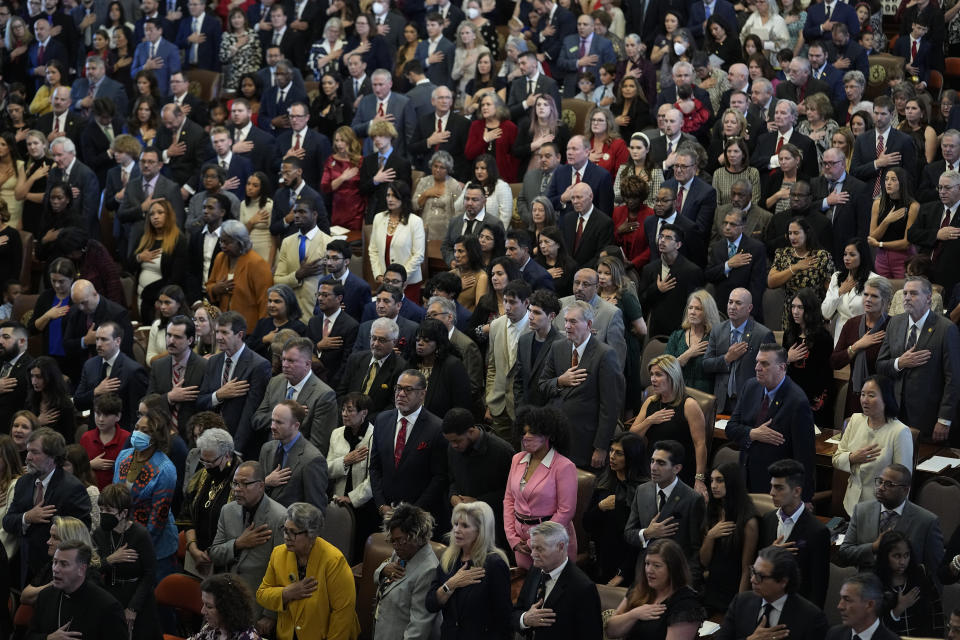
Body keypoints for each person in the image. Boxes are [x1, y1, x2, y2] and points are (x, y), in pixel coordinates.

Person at [539, 301, 625, 469]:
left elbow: (610, 406)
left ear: (589, 324)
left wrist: (600, 447)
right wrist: (560, 381)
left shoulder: (605, 354)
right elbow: (542, 385)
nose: (567, 326)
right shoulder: (558, 347)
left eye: (573, 321)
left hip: (584, 440)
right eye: (565, 321)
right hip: (555, 435)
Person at [256, 501, 360, 639]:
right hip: (288, 635)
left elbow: (343, 612)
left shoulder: (333, 561)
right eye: (285, 530)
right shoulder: (278, 554)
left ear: (312, 534)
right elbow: (262, 594)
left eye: (293, 532)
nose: (286, 536)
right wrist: (286, 593)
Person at [2, 428, 91, 585]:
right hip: (24, 568)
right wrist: (27, 517)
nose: (28, 457)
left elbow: (81, 532)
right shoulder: (23, 483)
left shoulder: (72, 488)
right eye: (28, 451)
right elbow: (8, 522)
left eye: (35, 452)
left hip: (56, 571)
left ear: (53, 457)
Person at [726, 344, 816, 499]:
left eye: (765, 364)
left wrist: (804, 498)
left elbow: (804, 457)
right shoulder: (750, 387)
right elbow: (731, 429)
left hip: (776, 486)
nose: (757, 368)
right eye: (757, 362)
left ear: (781, 367)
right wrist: (752, 433)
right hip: (745, 477)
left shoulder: (797, 402)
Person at [877, 276, 960, 443]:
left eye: (913, 293)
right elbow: (880, 365)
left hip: (929, 418)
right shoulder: (894, 323)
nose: (907, 297)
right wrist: (900, 362)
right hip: (896, 413)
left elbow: (954, 379)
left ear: (928, 298)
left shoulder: (946, 328)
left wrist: (944, 419)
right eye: (905, 293)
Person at [839, 460, 944, 575]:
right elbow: (845, 553)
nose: (881, 487)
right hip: (865, 586)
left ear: (905, 490)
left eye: (889, 484)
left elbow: (935, 571)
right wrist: (873, 547)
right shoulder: (862, 510)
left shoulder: (926, 521)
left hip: (903, 588)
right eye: (880, 481)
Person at [426, 501, 512, 639]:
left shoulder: (494, 564)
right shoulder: (448, 559)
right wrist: (451, 584)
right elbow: (430, 604)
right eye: (455, 524)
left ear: (480, 531)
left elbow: (503, 620)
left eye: (465, 526)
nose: (457, 530)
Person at [112, 405, 178, 580]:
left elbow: (158, 518)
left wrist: (138, 547)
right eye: (136, 428)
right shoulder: (124, 456)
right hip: (124, 535)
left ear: (156, 436)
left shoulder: (165, 469)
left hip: (155, 544)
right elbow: (114, 497)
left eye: (145, 431)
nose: (137, 433)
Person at [92, 483, 162, 640]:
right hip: (110, 596)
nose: (103, 514)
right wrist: (111, 559)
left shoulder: (140, 534)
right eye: (101, 509)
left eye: (108, 510)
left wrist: (133, 608)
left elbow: (150, 574)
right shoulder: (99, 533)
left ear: (123, 512)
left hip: (137, 597)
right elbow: (92, 569)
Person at [712, 546, 829, 640]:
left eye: (760, 576)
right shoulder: (741, 602)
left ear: (783, 581)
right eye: (753, 572)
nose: (752, 579)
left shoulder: (811, 618)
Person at [511, 520, 602, 640]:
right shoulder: (535, 570)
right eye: (533, 548)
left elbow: (591, 635)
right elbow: (516, 611)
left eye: (540, 549)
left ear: (560, 547)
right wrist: (525, 619)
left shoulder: (583, 588)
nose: (533, 554)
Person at [757, 459, 830, 607]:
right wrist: (770, 554)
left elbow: (818, 587)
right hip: (766, 603)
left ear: (797, 491)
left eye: (779, 488)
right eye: (772, 487)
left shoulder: (817, 531)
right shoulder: (768, 519)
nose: (771, 493)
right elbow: (756, 563)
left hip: (797, 608)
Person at [624, 440, 706, 572]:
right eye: (652, 461)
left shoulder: (693, 499)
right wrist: (647, 533)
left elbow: (696, 550)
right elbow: (628, 533)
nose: (653, 467)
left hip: (675, 574)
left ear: (677, 468)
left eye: (661, 463)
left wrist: (689, 583)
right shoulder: (642, 491)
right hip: (645, 570)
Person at [630, 354, 708, 493]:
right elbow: (632, 437)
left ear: (672, 376)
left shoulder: (689, 405)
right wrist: (650, 420)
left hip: (679, 472)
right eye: (652, 374)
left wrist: (699, 479)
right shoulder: (650, 402)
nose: (653, 379)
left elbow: (700, 444)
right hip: (652, 470)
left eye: (658, 375)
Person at [606, 538, 705, 640]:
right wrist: (634, 614)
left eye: (657, 566)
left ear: (673, 569)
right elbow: (611, 631)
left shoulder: (686, 604)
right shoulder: (639, 587)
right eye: (647, 563)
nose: (649, 570)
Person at [27, 540, 127, 639]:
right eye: (55, 562)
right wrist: (48, 638)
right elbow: (29, 636)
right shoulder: (45, 596)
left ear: (81, 569)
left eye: (64, 564)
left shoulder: (108, 607)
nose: (55, 569)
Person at [583, 432, 646, 586]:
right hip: (601, 557)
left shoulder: (643, 489)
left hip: (629, 563)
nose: (611, 456)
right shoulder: (604, 482)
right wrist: (600, 507)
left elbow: (641, 538)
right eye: (611, 451)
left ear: (632, 456)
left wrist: (622, 573)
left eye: (619, 453)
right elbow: (586, 524)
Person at [373, 503, 440, 640]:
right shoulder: (402, 550)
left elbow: (418, 629)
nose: (395, 546)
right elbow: (380, 574)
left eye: (399, 541)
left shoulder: (429, 570)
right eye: (392, 540)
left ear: (417, 536)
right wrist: (383, 570)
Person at [700, 461, 759, 615]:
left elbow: (747, 569)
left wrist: (739, 606)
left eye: (719, 480)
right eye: (711, 480)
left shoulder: (749, 522)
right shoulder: (712, 512)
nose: (713, 485)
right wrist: (710, 536)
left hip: (733, 590)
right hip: (712, 587)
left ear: (732, 482)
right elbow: (704, 561)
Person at [182, 428, 242, 577]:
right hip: (195, 555)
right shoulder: (200, 476)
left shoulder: (242, 481)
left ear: (227, 455)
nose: (206, 467)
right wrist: (194, 549)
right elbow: (186, 515)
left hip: (227, 561)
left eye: (210, 462)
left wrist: (214, 554)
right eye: (203, 461)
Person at [831, 277, 893, 417]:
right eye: (865, 294)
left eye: (874, 296)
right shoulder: (852, 324)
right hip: (855, 395)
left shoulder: (893, 326)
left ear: (885, 301)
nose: (868, 299)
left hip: (882, 398)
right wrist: (857, 345)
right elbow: (835, 362)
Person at [767, 215, 836, 329]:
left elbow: (830, 289)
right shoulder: (783, 254)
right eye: (790, 233)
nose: (792, 237)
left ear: (806, 233)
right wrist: (795, 268)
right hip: (790, 313)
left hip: (814, 312)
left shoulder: (821, 256)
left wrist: (828, 315)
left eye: (796, 233)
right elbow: (771, 282)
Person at [205, 220, 274, 332]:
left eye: (227, 243)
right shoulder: (220, 258)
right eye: (221, 241)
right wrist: (215, 289)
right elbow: (209, 286)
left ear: (240, 242)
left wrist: (261, 333)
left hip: (248, 329)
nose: (222, 245)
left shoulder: (257, 263)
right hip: (222, 326)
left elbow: (265, 302)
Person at [638, 222, 705, 336]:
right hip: (656, 330)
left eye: (668, 238)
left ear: (678, 245)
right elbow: (641, 301)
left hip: (682, 330)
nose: (662, 240)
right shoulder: (649, 269)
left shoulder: (692, 271)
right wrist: (657, 289)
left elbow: (695, 304)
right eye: (661, 236)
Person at [873, 530, 944, 636]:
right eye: (897, 556)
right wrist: (899, 609)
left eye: (906, 555)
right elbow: (874, 628)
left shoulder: (921, 574)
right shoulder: (875, 582)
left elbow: (937, 613)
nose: (902, 562)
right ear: (885, 556)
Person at [782, 288, 834, 424]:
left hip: (813, 397)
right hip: (791, 394)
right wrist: (787, 359)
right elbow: (781, 368)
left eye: (800, 307)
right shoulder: (789, 334)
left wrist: (816, 400)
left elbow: (824, 374)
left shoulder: (823, 338)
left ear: (810, 309)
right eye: (793, 307)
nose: (795, 311)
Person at [822, 238, 878, 345]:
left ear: (862, 256)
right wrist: (839, 292)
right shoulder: (837, 277)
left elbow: (878, 314)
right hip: (841, 334)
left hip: (865, 333)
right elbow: (825, 313)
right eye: (845, 254)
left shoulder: (874, 280)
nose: (846, 258)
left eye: (852, 255)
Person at [868, 167, 920, 279]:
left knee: (902, 293)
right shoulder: (878, 203)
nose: (888, 183)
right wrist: (887, 221)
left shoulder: (913, 206)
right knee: (881, 293)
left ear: (902, 182)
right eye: (886, 179)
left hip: (903, 258)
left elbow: (906, 243)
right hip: (881, 258)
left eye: (893, 179)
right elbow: (872, 237)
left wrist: (880, 244)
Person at [666, 290, 720, 395]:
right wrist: (688, 354)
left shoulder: (715, 338)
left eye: (698, 309)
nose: (692, 312)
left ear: (707, 312)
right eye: (690, 308)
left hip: (705, 396)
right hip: (678, 393)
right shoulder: (677, 336)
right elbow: (665, 369)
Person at [828, 574, 902, 640]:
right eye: (841, 598)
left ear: (870, 605)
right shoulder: (835, 634)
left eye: (847, 600)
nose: (840, 606)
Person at [190, 572, 262, 640]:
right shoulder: (212, 627)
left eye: (209, 607)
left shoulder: (247, 637)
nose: (202, 611)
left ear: (228, 609)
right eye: (203, 604)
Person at [25, 357, 76, 445]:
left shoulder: (64, 405)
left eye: (38, 377)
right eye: (32, 376)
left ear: (50, 377)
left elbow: (68, 439)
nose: (33, 382)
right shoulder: (30, 401)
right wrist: (37, 422)